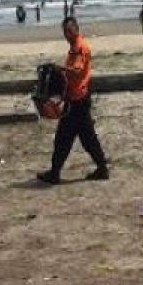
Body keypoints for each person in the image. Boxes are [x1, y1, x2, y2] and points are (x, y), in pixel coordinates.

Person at [36, 17, 108, 184]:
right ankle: (101, 168)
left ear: (76, 29)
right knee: (85, 137)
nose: (67, 34)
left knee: (65, 138)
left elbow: (76, 72)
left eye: (69, 30)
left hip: (78, 100)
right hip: (76, 98)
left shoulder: (80, 48)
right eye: (65, 31)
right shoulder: (75, 47)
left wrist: (59, 68)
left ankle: (55, 173)